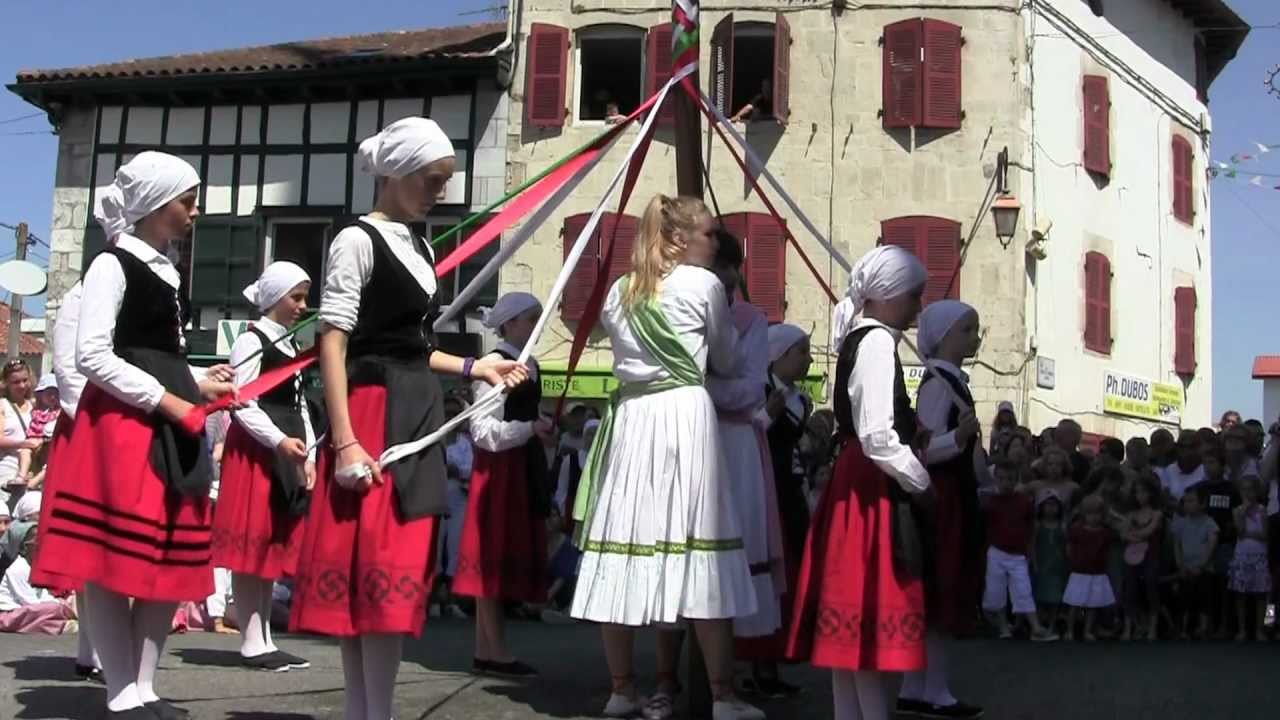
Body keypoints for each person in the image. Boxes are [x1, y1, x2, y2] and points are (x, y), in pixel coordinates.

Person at [289, 118, 528, 720]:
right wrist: (344, 443)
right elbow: (334, 341)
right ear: (395, 174)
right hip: (371, 411)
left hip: (414, 408)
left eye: (444, 180)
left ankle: (377, 711)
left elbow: (413, 344)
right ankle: (363, 710)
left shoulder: (419, 244)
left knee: (392, 574)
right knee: (368, 566)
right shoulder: (356, 239)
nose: (439, 191)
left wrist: (478, 369)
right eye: (431, 178)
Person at [30, 152, 239, 719]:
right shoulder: (111, 264)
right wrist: (167, 398)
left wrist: (198, 381)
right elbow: (93, 354)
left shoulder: (169, 269)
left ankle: (144, 686)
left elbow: (158, 354)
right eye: (187, 200)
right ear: (153, 205)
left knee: (167, 560)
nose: (195, 211)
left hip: (168, 419)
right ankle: (120, 689)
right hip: (123, 425)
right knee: (109, 561)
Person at [569, 194, 762, 720]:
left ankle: (621, 689)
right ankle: (722, 695)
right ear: (679, 239)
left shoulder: (618, 293)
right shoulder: (704, 285)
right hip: (684, 417)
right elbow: (724, 359)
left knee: (626, 545)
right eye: (709, 235)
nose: (715, 243)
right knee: (702, 549)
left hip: (633, 419)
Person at [788, 246, 932, 720]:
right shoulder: (874, 342)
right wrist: (919, 479)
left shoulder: (861, 336)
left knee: (849, 632)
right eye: (914, 296)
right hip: (869, 484)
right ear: (889, 296)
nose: (918, 306)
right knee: (867, 624)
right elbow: (877, 435)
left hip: (857, 478)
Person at [213, 261, 318, 671]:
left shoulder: (290, 343)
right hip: (257, 450)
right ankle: (252, 640)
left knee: (271, 541)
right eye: (296, 297)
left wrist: (307, 450)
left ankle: (265, 637)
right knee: (252, 543)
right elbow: (239, 401)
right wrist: (276, 440)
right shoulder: (250, 340)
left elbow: (299, 401)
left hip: (284, 450)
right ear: (274, 297)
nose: (302, 305)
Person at [705, 228, 790, 698]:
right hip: (693, 437)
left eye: (722, 267)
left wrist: (697, 391)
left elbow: (749, 388)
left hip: (734, 444)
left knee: (734, 545)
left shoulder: (750, 319)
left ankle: (729, 675)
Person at [455, 291, 555, 678]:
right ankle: (493, 650)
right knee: (492, 559)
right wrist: (529, 428)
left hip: (521, 465)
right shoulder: (493, 364)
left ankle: (488, 648)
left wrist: (540, 424)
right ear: (510, 323)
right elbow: (482, 431)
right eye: (531, 319)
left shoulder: (528, 363)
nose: (536, 326)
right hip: (499, 472)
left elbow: (521, 412)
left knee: (499, 558)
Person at [897, 299, 987, 720]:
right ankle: (933, 690)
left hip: (957, 492)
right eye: (967, 330)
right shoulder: (937, 385)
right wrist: (959, 437)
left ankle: (917, 686)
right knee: (939, 589)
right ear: (944, 335)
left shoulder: (953, 382)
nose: (975, 336)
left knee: (938, 591)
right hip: (944, 496)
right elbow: (924, 449)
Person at [42, 279, 102, 681]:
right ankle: (93, 651)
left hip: (118, 418)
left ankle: (94, 650)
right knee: (91, 536)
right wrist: (98, 417)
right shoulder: (85, 292)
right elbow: (67, 365)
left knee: (108, 539)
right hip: (90, 422)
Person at [981, 459, 1059, 644]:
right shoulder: (990, 502)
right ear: (995, 479)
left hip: (1018, 554)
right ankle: (1003, 626)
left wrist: (1030, 552)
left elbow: (1030, 529)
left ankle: (1036, 627)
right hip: (996, 552)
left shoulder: (1024, 502)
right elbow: (986, 528)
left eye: (1009, 479)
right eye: (1001, 479)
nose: (1005, 483)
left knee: (1023, 589)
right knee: (995, 590)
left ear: (1016, 480)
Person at [1, 516, 77, 635]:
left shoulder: (34, 567)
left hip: (32, 612)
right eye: (37, 541)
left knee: (66, 602)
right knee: (50, 609)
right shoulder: (18, 569)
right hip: (9, 615)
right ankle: (62, 624)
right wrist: (62, 606)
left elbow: (43, 596)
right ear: (23, 548)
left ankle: (59, 624)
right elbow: (30, 602)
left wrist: (63, 603)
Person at [1063, 495, 1116, 641]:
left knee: (1093, 604)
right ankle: (1069, 630)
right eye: (1090, 513)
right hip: (1079, 572)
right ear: (1084, 514)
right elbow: (1069, 548)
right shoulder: (1076, 529)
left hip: (1097, 572)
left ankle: (1088, 630)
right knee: (1074, 603)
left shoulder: (1106, 532)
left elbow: (1110, 548)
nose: (1093, 517)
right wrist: (1073, 561)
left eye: (1097, 513)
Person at [1170, 488, 1218, 639]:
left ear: (1203, 504)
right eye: (1185, 501)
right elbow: (1176, 545)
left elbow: (1212, 545)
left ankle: (1203, 628)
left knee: (1204, 598)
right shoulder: (1180, 523)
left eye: (1192, 501)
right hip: (1186, 569)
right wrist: (1180, 565)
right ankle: (1183, 629)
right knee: (1184, 599)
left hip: (1204, 569)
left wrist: (1201, 566)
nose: (1187, 504)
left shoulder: (1209, 523)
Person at [1120, 476, 1163, 641]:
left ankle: (1152, 628)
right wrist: (1135, 536)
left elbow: (1149, 532)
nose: (1140, 495)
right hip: (1131, 556)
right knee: (1130, 590)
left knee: (1151, 589)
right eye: (1137, 492)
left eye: (1144, 491)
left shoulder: (1157, 514)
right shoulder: (1131, 514)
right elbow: (1123, 534)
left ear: (1151, 494)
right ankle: (1128, 628)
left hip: (1151, 556)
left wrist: (1134, 535)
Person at [1228, 475, 1270, 642]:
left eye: (1251, 489)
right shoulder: (1237, 510)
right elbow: (1240, 531)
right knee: (1241, 595)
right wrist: (1244, 512)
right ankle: (1242, 630)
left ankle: (1264, 628)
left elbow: (1265, 535)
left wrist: (1251, 534)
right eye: (1244, 489)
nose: (1248, 493)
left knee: (1263, 595)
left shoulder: (1263, 510)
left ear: (1257, 491)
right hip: (1242, 556)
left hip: (1260, 556)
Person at [0, 360, 39, 512]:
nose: (22, 386)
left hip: (31, 475)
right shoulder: (3, 405)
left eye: (25, 380)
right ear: (6, 384)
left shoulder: (34, 406)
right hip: (7, 472)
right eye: (16, 382)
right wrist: (24, 444)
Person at [13, 374, 60, 491]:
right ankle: (21, 476)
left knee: (52, 460)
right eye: (48, 394)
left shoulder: (59, 412)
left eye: (55, 394)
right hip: (32, 441)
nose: (52, 397)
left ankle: (35, 481)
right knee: (24, 451)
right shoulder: (36, 410)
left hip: (48, 443)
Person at [1031, 491, 1069, 635]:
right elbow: (1033, 545)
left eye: (1054, 505)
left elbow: (1066, 546)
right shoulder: (1037, 525)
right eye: (1047, 504)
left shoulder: (1062, 526)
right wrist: (1034, 563)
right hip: (1042, 565)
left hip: (1058, 566)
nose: (1051, 508)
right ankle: (1039, 625)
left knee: (1055, 598)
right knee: (1040, 597)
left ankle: (1052, 625)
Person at [1159, 431, 1206, 502]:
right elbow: (1165, 497)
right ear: (1177, 448)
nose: (1187, 451)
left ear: (1199, 448)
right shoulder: (1169, 470)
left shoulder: (1206, 470)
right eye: (1182, 446)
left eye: (1191, 446)